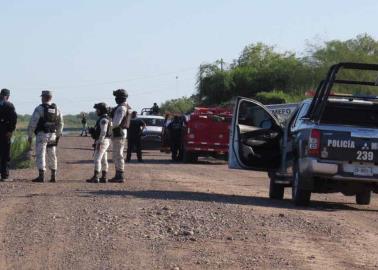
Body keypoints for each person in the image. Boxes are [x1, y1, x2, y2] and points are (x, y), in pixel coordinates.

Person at [28, 91, 64, 182]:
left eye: (42, 97)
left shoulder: (39, 109)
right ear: (51, 98)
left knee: (41, 154)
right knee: (52, 154)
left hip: (42, 135)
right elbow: (61, 123)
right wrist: (58, 135)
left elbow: (33, 122)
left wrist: (30, 135)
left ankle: (41, 176)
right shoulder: (57, 109)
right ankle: (53, 176)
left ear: (43, 97)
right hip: (53, 135)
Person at [109, 89, 132, 183]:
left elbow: (116, 123)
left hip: (119, 132)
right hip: (121, 131)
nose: (115, 98)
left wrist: (108, 127)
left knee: (118, 154)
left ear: (120, 97)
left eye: (116, 97)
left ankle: (120, 175)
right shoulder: (126, 106)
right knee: (117, 154)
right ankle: (118, 174)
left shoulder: (121, 108)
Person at [87, 103, 111, 183]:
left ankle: (96, 177)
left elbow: (103, 132)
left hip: (102, 140)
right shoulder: (106, 118)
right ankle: (104, 177)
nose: (96, 111)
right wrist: (94, 132)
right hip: (106, 140)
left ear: (101, 110)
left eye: (97, 110)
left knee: (97, 159)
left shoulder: (103, 119)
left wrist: (99, 142)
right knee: (104, 159)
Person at [0, 89, 17, 181]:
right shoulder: (9, 105)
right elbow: (13, 119)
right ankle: (4, 175)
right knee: (5, 153)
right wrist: (10, 130)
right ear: (8, 96)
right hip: (4, 131)